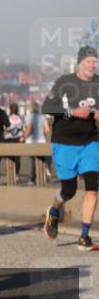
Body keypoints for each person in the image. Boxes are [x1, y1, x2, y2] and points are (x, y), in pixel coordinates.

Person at [42, 45, 99, 250]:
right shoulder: (65, 82)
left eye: (95, 61)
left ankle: (84, 237)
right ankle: (54, 212)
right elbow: (47, 107)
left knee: (92, 187)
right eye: (89, 61)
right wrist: (73, 112)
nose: (92, 65)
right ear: (80, 63)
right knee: (69, 190)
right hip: (64, 142)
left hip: (91, 142)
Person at [24, 101, 50, 185]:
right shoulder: (42, 117)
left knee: (31, 160)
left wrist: (23, 137)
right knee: (42, 160)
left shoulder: (28, 117)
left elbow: (29, 129)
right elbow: (47, 130)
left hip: (31, 141)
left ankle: (32, 179)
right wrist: (42, 132)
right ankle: (44, 175)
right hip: (42, 141)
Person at [4, 103, 25, 182]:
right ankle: (16, 175)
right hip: (17, 139)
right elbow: (23, 129)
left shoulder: (8, 118)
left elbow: (6, 128)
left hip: (9, 139)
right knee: (17, 158)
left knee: (9, 157)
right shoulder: (20, 118)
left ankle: (10, 174)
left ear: (10, 110)